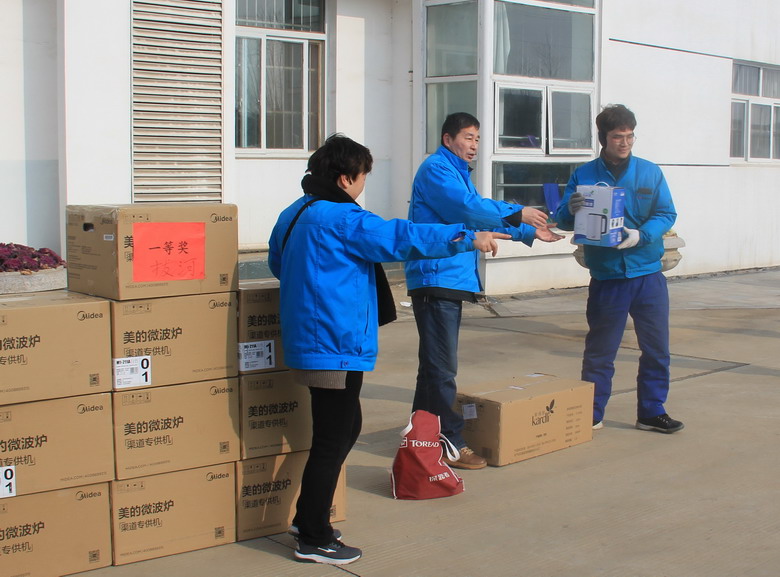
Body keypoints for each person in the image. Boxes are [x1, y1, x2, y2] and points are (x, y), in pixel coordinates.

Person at [268, 134, 510, 565]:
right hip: (335, 343)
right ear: (345, 178)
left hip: (312, 338)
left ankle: (308, 520)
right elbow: (402, 237)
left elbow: (276, 263)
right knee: (332, 438)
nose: (364, 185)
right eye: (363, 176)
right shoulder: (343, 217)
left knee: (344, 427)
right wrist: (465, 237)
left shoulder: (294, 213)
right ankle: (313, 536)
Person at [405, 112, 564, 470]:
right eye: (467, 137)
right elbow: (468, 210)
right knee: (442, 369)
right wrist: (518, 213)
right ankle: (450, 440)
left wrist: (528, 232)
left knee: (433, 369)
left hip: (448, 278)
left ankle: (420, 438)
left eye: (477, 138)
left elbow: (476, 217)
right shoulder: (437, 170)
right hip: (436, 277)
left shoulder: (457, 174)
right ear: (447, 140)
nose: (474, 145)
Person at [553, 104, 684, 434]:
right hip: (607, 276)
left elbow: (666, 213)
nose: (624, 143)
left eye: (629, 136)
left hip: (647, 274)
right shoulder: (584, 175)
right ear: (603, 138)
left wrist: (642, 235)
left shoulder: (649, 172)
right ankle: (592, 413)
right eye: (617, 137)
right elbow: (563, 219)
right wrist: (569, 209)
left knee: (656, 349)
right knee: (600, 351)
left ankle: (651, 411)